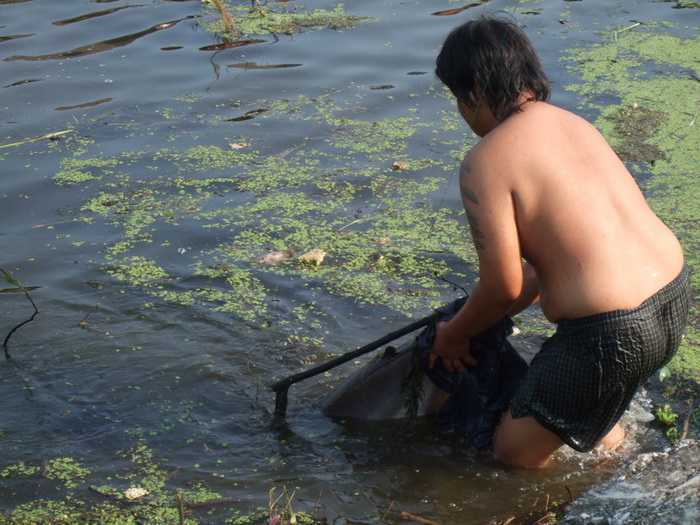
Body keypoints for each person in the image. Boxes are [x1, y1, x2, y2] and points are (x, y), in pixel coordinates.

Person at [429, 15, 691, 468]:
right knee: (581, 420)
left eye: (456, 96)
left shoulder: (485, 161)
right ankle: (622, 465)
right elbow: (547, 266)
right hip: (672, 295)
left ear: (471, 92)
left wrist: (454, 336)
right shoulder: (572, 123)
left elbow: (502, 288)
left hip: (612, 331)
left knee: (512, 455)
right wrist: (486, 316)